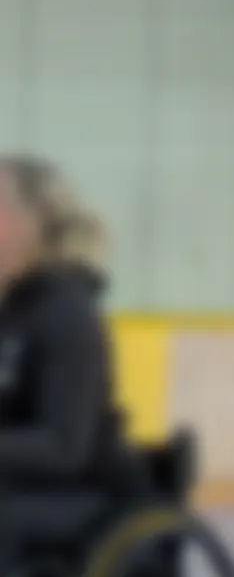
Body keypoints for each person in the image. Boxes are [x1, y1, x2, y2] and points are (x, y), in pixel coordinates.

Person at [0, 154, 144, 519]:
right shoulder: (14, 310)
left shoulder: (67, 311)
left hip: (67, 496)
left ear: (35, 224)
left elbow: (64, 447)